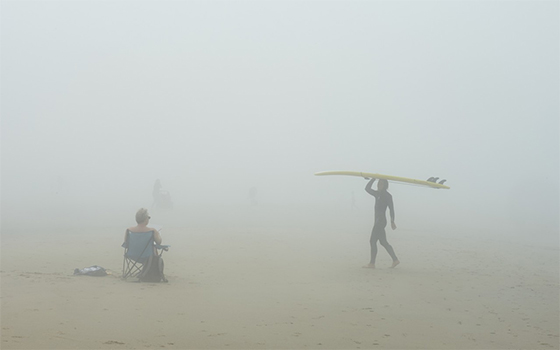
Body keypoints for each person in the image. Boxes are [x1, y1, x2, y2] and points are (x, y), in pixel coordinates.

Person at [363, 178, 399, 269]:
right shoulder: (377, 194)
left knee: (372, 241)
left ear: (385, 186)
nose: (379, 185)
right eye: (378, 183)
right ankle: (395, 260)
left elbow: (391, 209)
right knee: (383, 242)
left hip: (381, 221)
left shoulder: (387, 196)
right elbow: (367, 188)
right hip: (378, 221)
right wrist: (373, 178)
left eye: (381, 184)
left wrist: (392, 221)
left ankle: (372, 263)